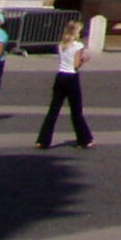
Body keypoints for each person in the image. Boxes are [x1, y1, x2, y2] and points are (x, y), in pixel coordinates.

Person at [34, 19, 93, 149]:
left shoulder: (62, 45)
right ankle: (84, 139)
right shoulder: (78, 46)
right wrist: (84, 60)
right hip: (71, 77)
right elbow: (76, 65)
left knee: (54, 109)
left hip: (60, 76)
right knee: (76, 111)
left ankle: (43, 140)